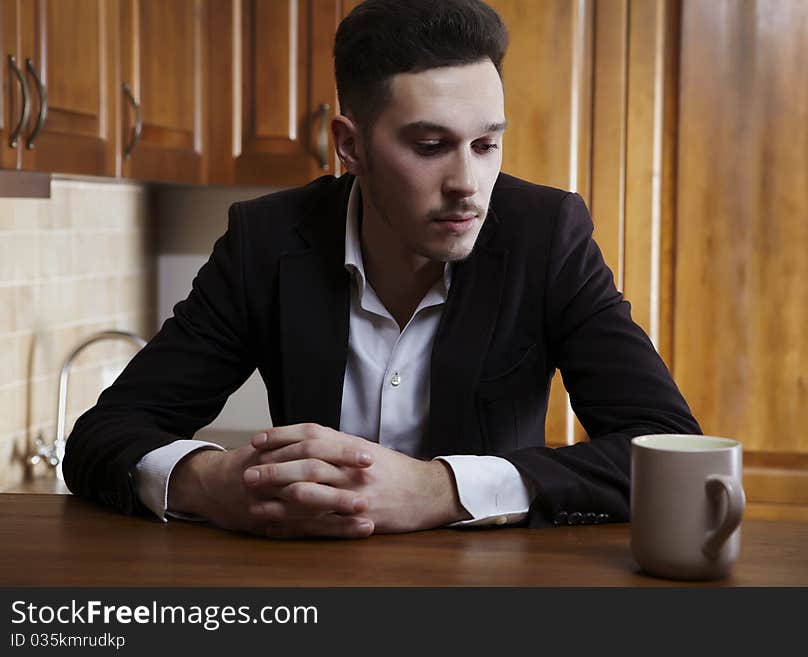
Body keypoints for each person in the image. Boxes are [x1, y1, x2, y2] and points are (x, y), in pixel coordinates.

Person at [63, 0, 700, 539]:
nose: (468, 185)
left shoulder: (546, 235)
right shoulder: (266, 241)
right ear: (351, 145)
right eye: (430, 146)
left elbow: (669, 450)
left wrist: (438, 489)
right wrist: (209, 483)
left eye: (486, 145)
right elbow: (103, 436)